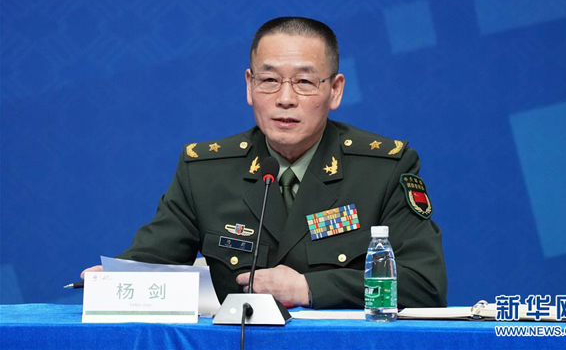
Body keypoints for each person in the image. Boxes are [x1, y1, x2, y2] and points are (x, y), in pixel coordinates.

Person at [81, 17, 447, 309]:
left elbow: (424, 285)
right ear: (249, 85)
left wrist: (308, 288)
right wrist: (114, 279)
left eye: (304, 82)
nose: (285, 98)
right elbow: (152, 261)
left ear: (335, 90)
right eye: (269, 80)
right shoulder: (205, 171)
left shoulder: (383, 169)